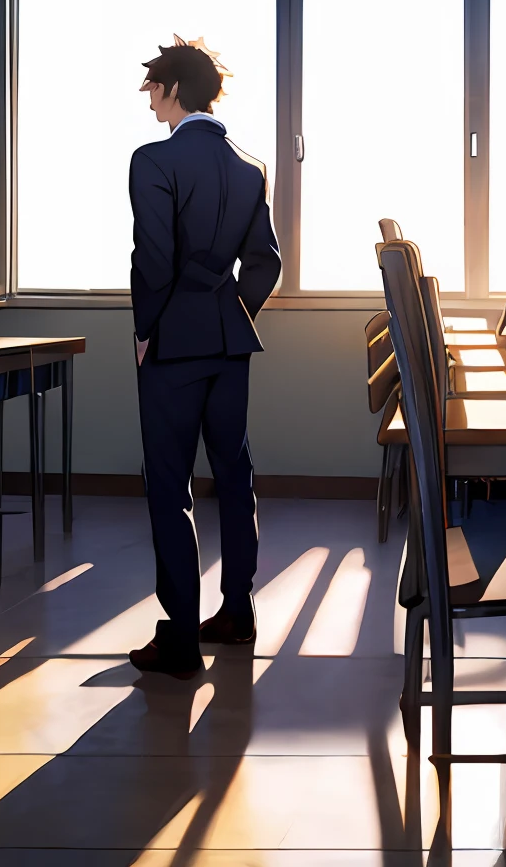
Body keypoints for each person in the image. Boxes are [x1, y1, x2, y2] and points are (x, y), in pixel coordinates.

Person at [127, 36, 281, 679]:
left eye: (153, 94)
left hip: (174, 343)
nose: (151, 107)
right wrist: (228, 310)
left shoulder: (153, 160)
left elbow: (153, 258)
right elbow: (266, 262)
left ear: (171, 92)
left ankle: (182, 640)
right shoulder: (249, 167)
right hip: (229, 341)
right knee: (234, 474)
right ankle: (237, 613)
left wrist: (148, 328)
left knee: (170, 484)